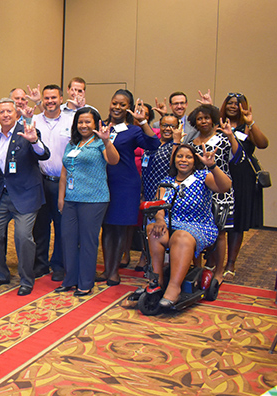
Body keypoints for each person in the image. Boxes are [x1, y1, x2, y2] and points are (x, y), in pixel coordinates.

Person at [146, 144, 231, 307]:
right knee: (153, 229)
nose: (183, 160)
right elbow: (159, 206)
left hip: (199, 224)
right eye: (179, 156)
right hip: (171, 222)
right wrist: (160, 219)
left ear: (194, 160)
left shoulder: (202, 176)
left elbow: (225, 187)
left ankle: (174, 287)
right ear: (174, 160)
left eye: (188, 157)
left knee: (180, 235)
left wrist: (212, 166)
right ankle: (156, 280)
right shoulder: (166, 182)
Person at [0, 98, 50, 296]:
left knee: (23, 237)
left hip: (26, 196)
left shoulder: (27, 132)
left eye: (9, 111)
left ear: (16, 114)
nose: (5, 115)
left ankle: (27, 280)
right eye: (1, 111)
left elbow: (44, 154)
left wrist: (34, 141)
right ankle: (1, 274)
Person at [97, 89, 160, 287]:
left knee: (119, 227)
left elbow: (153, 144)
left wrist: (143, 122)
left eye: (122, 104)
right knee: (106, 227)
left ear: (129, 108)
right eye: (114, 103)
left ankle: (115, 271)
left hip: (125, 184)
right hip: (101, 183)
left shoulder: (133, 130)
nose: (117, 107)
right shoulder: (101, 126)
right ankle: (107, 269)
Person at [56, 107, 119, 296]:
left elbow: (114, 160)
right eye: (80, 122)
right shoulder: (72, 144)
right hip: (70, 200)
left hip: (94, 199)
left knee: (87, 242)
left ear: (96, 123)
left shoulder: (101, 142)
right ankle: (70, 279)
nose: (83, 125)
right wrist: (61, 198)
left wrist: (107, 140)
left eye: (87, 122)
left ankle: (85, 282)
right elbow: (64, 172)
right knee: (68, 240)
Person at [188, 104, 243, 284]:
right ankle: (196, 269)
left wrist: (230, 136)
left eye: (206, 118)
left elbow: (237, 158)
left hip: (221, 193)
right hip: (198, 194)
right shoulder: (190, 144)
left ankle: (219, 272)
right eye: (199, 119)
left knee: (220, 234)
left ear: (212, 119)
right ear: (195, 123)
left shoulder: (222, 139)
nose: (203, 121)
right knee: (194, 231)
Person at [220, 93, 269, 281]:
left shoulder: (247, 127)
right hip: (221, 174)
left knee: (237, 221)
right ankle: (213, 260)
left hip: (242, 178)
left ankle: (231, 263)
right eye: (230, 103)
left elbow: (263, 144)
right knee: (218, 218)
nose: (234, 106)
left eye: (238, 104)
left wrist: (251, 121)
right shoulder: (219, 124)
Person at [32, 84, 74, 282]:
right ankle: (40, 264)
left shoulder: (71, 121)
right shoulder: (34, 121)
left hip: (62, 182)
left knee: (61, 225)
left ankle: (58, 264)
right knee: (40, 225)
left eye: (54, 98)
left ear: (61, 98)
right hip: (39, 181)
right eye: (46, 98)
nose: (50, 101)